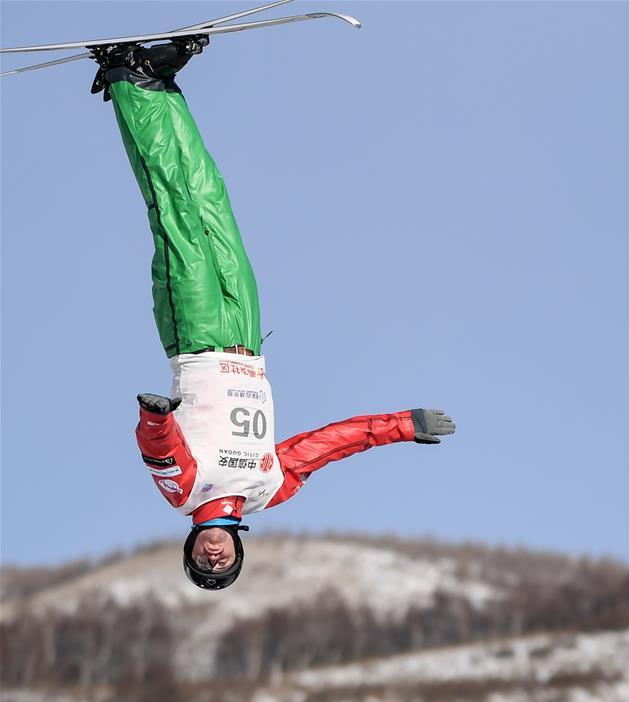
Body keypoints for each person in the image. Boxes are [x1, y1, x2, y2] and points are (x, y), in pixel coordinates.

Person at [93, 40, 456, 590]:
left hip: (194, 337)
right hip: (245, 340)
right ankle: (161, 89)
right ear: (238, 551)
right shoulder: (270, 488)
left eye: (202, 563)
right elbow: (330, 444)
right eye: (224, 564)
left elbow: (158, 448)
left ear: (191, 548)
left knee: (175, 216)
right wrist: (403, 425)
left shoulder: (185, 493)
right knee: (213, 203)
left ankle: (124, 80)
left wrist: (156, 416)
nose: (214, 558)